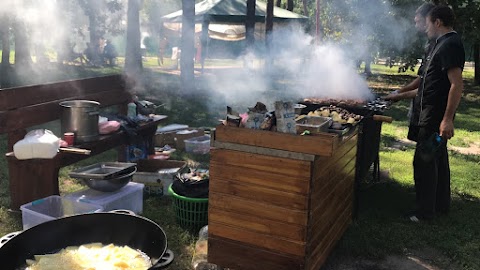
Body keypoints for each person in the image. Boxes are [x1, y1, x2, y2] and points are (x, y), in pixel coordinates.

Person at [390, 5, 465, 222]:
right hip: (428, 114)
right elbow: (425, 82)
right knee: (437, 160)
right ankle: (439, 205)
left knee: (424, 162)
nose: (424, 28)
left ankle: (423, 214)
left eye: (428, 23)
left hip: (434, 117)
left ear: (437, 22)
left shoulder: (450, 44)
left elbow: (457, 85)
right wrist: (400, 93)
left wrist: (447, 119)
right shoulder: (438, 44)